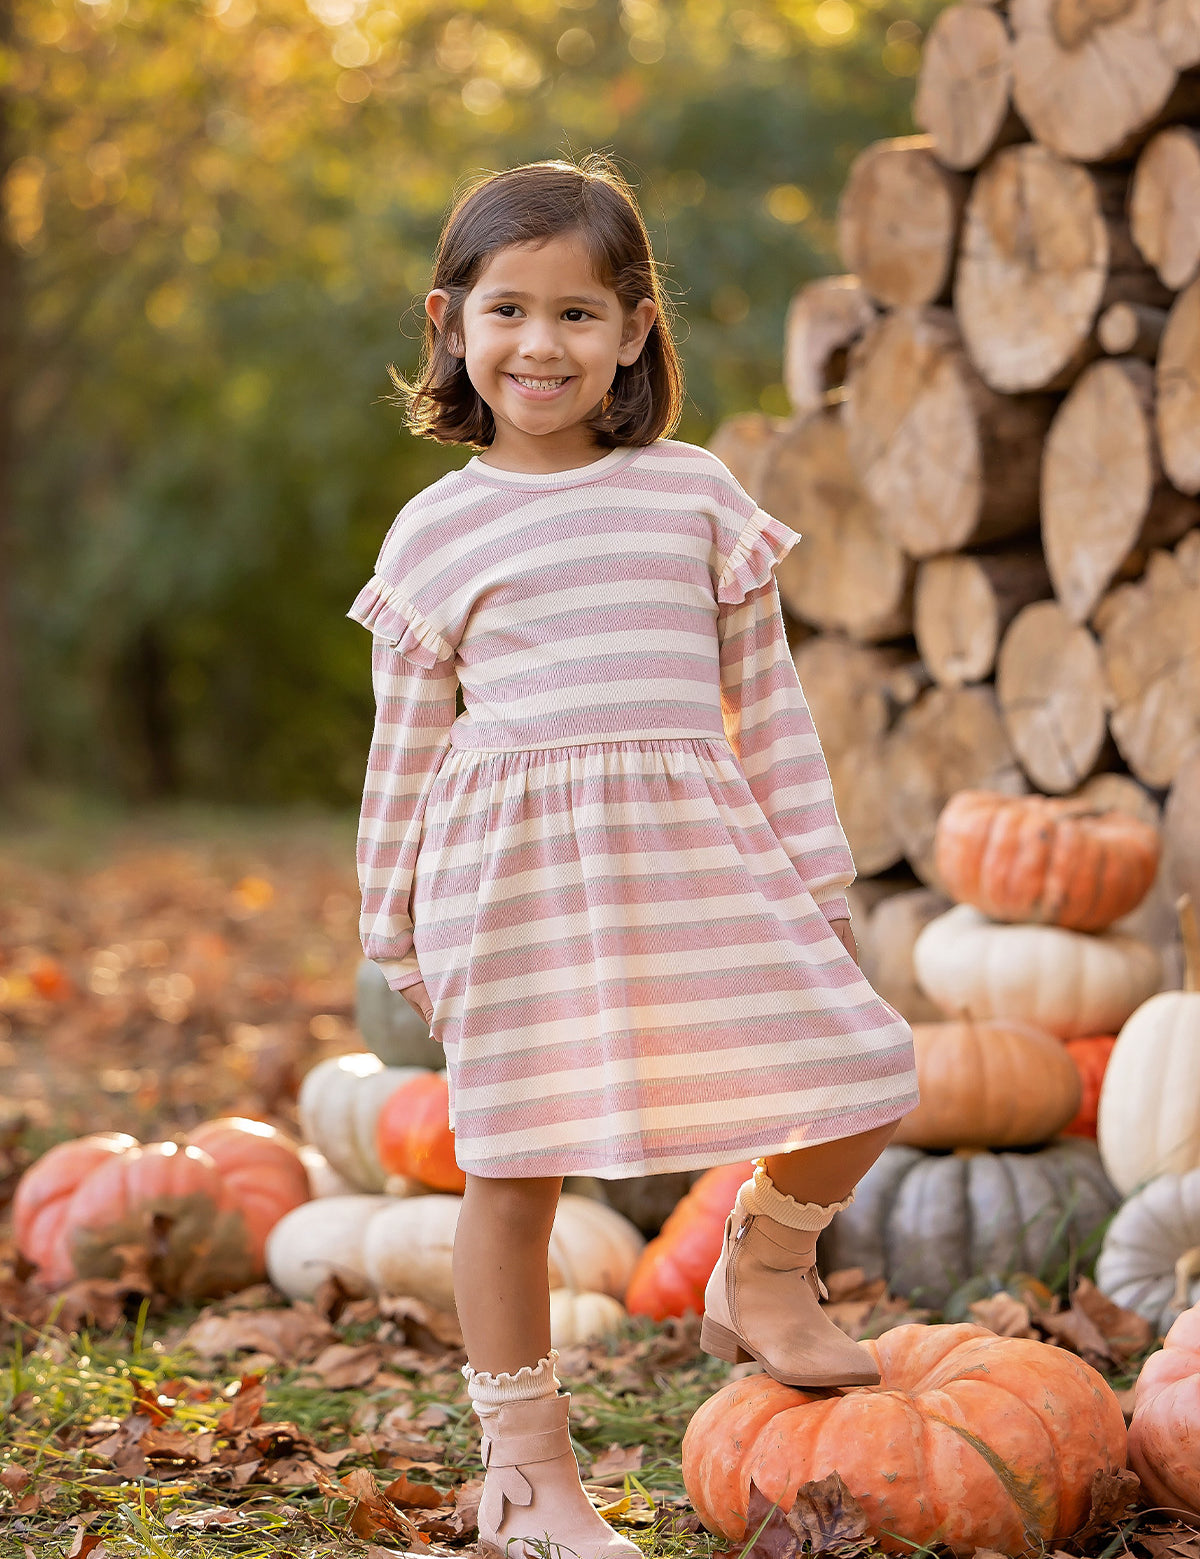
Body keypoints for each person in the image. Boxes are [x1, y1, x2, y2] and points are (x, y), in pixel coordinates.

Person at [347, 155, 918, 1559]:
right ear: (452, 324)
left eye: (580, 315)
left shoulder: (694, 493)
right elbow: (403, 750)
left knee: (869, 1068)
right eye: (508, 311)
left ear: (636, 331)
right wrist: (394, 926)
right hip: (514, 883)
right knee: (514, 1171)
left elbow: (772, 703)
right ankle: (529, 1475)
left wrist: (818, 880)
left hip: (693, 854)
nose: (542, 344)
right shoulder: (437, 531)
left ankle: (766, 1269)